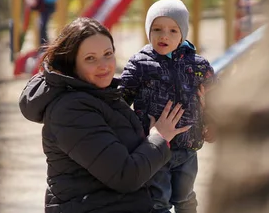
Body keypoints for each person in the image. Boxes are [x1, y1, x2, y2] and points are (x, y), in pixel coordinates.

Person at [19, 17, 191, 213]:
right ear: (71, 64)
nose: (104, 65)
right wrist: (160, 138)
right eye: (90, 58)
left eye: (108, 54)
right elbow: (125, 176)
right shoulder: (70, 111)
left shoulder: (102, 94)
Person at [119, 0, 217, 213]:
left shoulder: (198, 65)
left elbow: (213, 99)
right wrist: (129, 133)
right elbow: (121, 99)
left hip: (188, 146)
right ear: (148, 31)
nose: (164, 35)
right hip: (155, 148)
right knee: (157, 201)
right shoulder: (140, 64)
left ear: (183, 34)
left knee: (185, 199)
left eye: (173, 30)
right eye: (157, 29)